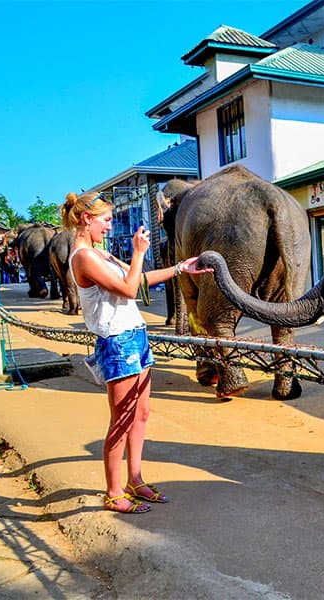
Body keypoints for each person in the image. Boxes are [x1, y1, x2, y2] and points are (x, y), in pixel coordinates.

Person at [62, 191, 211, 513]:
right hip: (117, 342)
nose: (110, 226)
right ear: (87, 219)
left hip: (136, 336)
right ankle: (114, 492)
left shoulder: (101, 254)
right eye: (106, 220)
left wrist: (181, 268)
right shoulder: (83, 258)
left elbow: (138, 281)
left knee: (141, 414)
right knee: (122, 419)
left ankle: (135, 479)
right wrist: (140, 252)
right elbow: (130, 289)